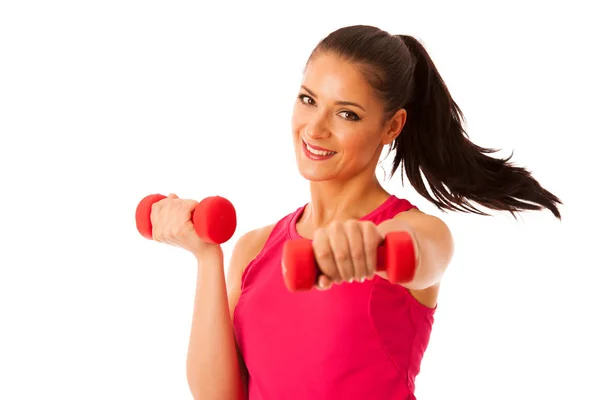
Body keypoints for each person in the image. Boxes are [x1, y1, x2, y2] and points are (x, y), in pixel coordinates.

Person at [150, 25, 562, 400]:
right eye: (308, 100)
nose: (315, 128)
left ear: (392, 126)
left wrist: (374, 247)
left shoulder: (415, 230)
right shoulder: (256, 248)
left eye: (347, 113)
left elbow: (420, 256)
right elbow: (218, 396)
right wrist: (206, 256)